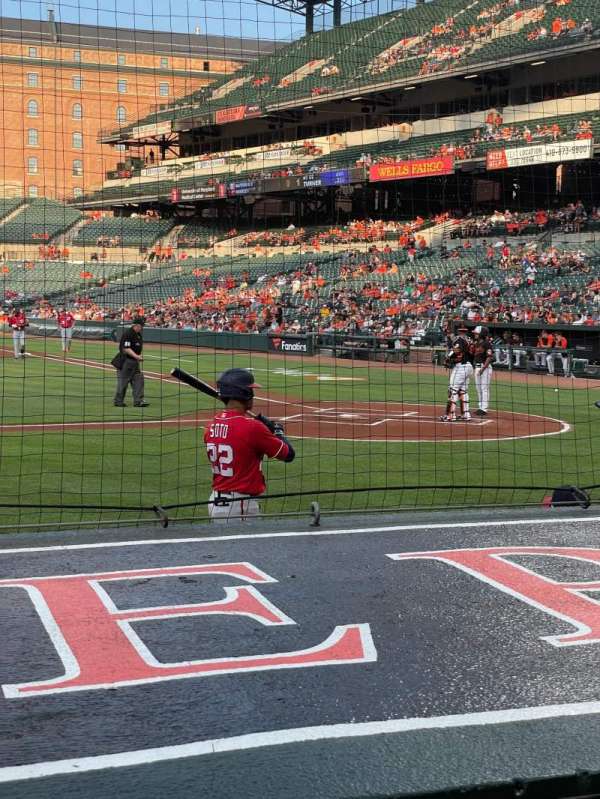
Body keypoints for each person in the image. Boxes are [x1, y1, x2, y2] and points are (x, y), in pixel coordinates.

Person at [204, 368, 295, 521]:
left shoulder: (211, 426)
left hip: (217, 502)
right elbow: (288, 455)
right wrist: (278, 432)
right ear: (244, 393)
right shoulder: (253, 428)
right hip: (239, 506)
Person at [113, 316, 148, 407]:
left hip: (134, 362)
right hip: (126, 361)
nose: (142, 327)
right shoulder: (128, 333)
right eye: (141, 326)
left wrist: (137, 357)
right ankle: (118, 401)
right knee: (123, 381)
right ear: (136, 325)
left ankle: (138, 401)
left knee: (139, 380)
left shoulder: (138, 334)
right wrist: (137, 356)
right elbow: (126, 349)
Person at [440, 339, 474, 422]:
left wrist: (448, 359)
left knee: (452, 391)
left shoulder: (458, 341)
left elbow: (456, 351)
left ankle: (450, 415)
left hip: (461, 368)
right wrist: (450, 360)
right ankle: (465, 414)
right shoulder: (466, 342)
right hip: (469, 367)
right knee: (463, 391)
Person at [472, 325, 494, 415]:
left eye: (477, 333)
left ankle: (484, 409)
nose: (475, 334)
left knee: (484, 388)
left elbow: (489, 357)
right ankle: (480, 406)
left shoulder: (486, 343)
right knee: (478, 388)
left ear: (482, 334)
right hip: (477, 367)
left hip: (485, 368)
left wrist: (483, 368)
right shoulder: (477, 343)